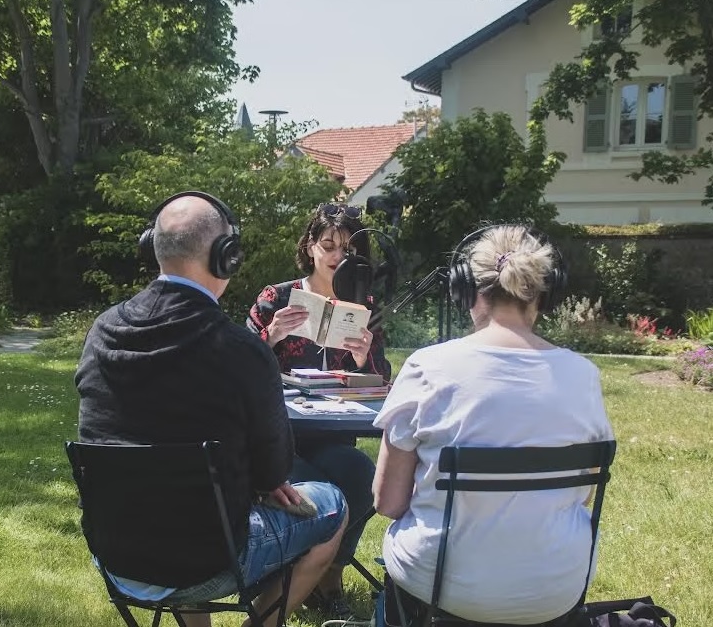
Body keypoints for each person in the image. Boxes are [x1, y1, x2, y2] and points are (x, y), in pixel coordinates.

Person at [75, 192, 348, 627]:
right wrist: (266, 480)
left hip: (115, 555)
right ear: (227, 258)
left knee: (188, 516)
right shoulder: (239, 349)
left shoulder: (102, 332)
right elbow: (274, 468)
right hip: (207, 559)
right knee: (334, 503)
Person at [372, 225, 614, 625]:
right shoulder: (582, 376)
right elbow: (583, 497)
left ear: (465, 290)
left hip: (439, 593)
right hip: (554, 594)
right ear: (545, 293)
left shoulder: (427, 367)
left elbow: (388, 502)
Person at [246, 201, 392, 617]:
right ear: (310, 246)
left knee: (362, 477)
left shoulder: (363, 303)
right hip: (281, 433)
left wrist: (365, 358)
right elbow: (238, 368)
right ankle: (309, 580)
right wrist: (270, 337)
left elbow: (384, 381)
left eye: (346, 250)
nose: (336, 257)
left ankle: (327, 572)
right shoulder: (276, 298)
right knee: (321, 492)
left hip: (333, 431)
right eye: (328, 245)